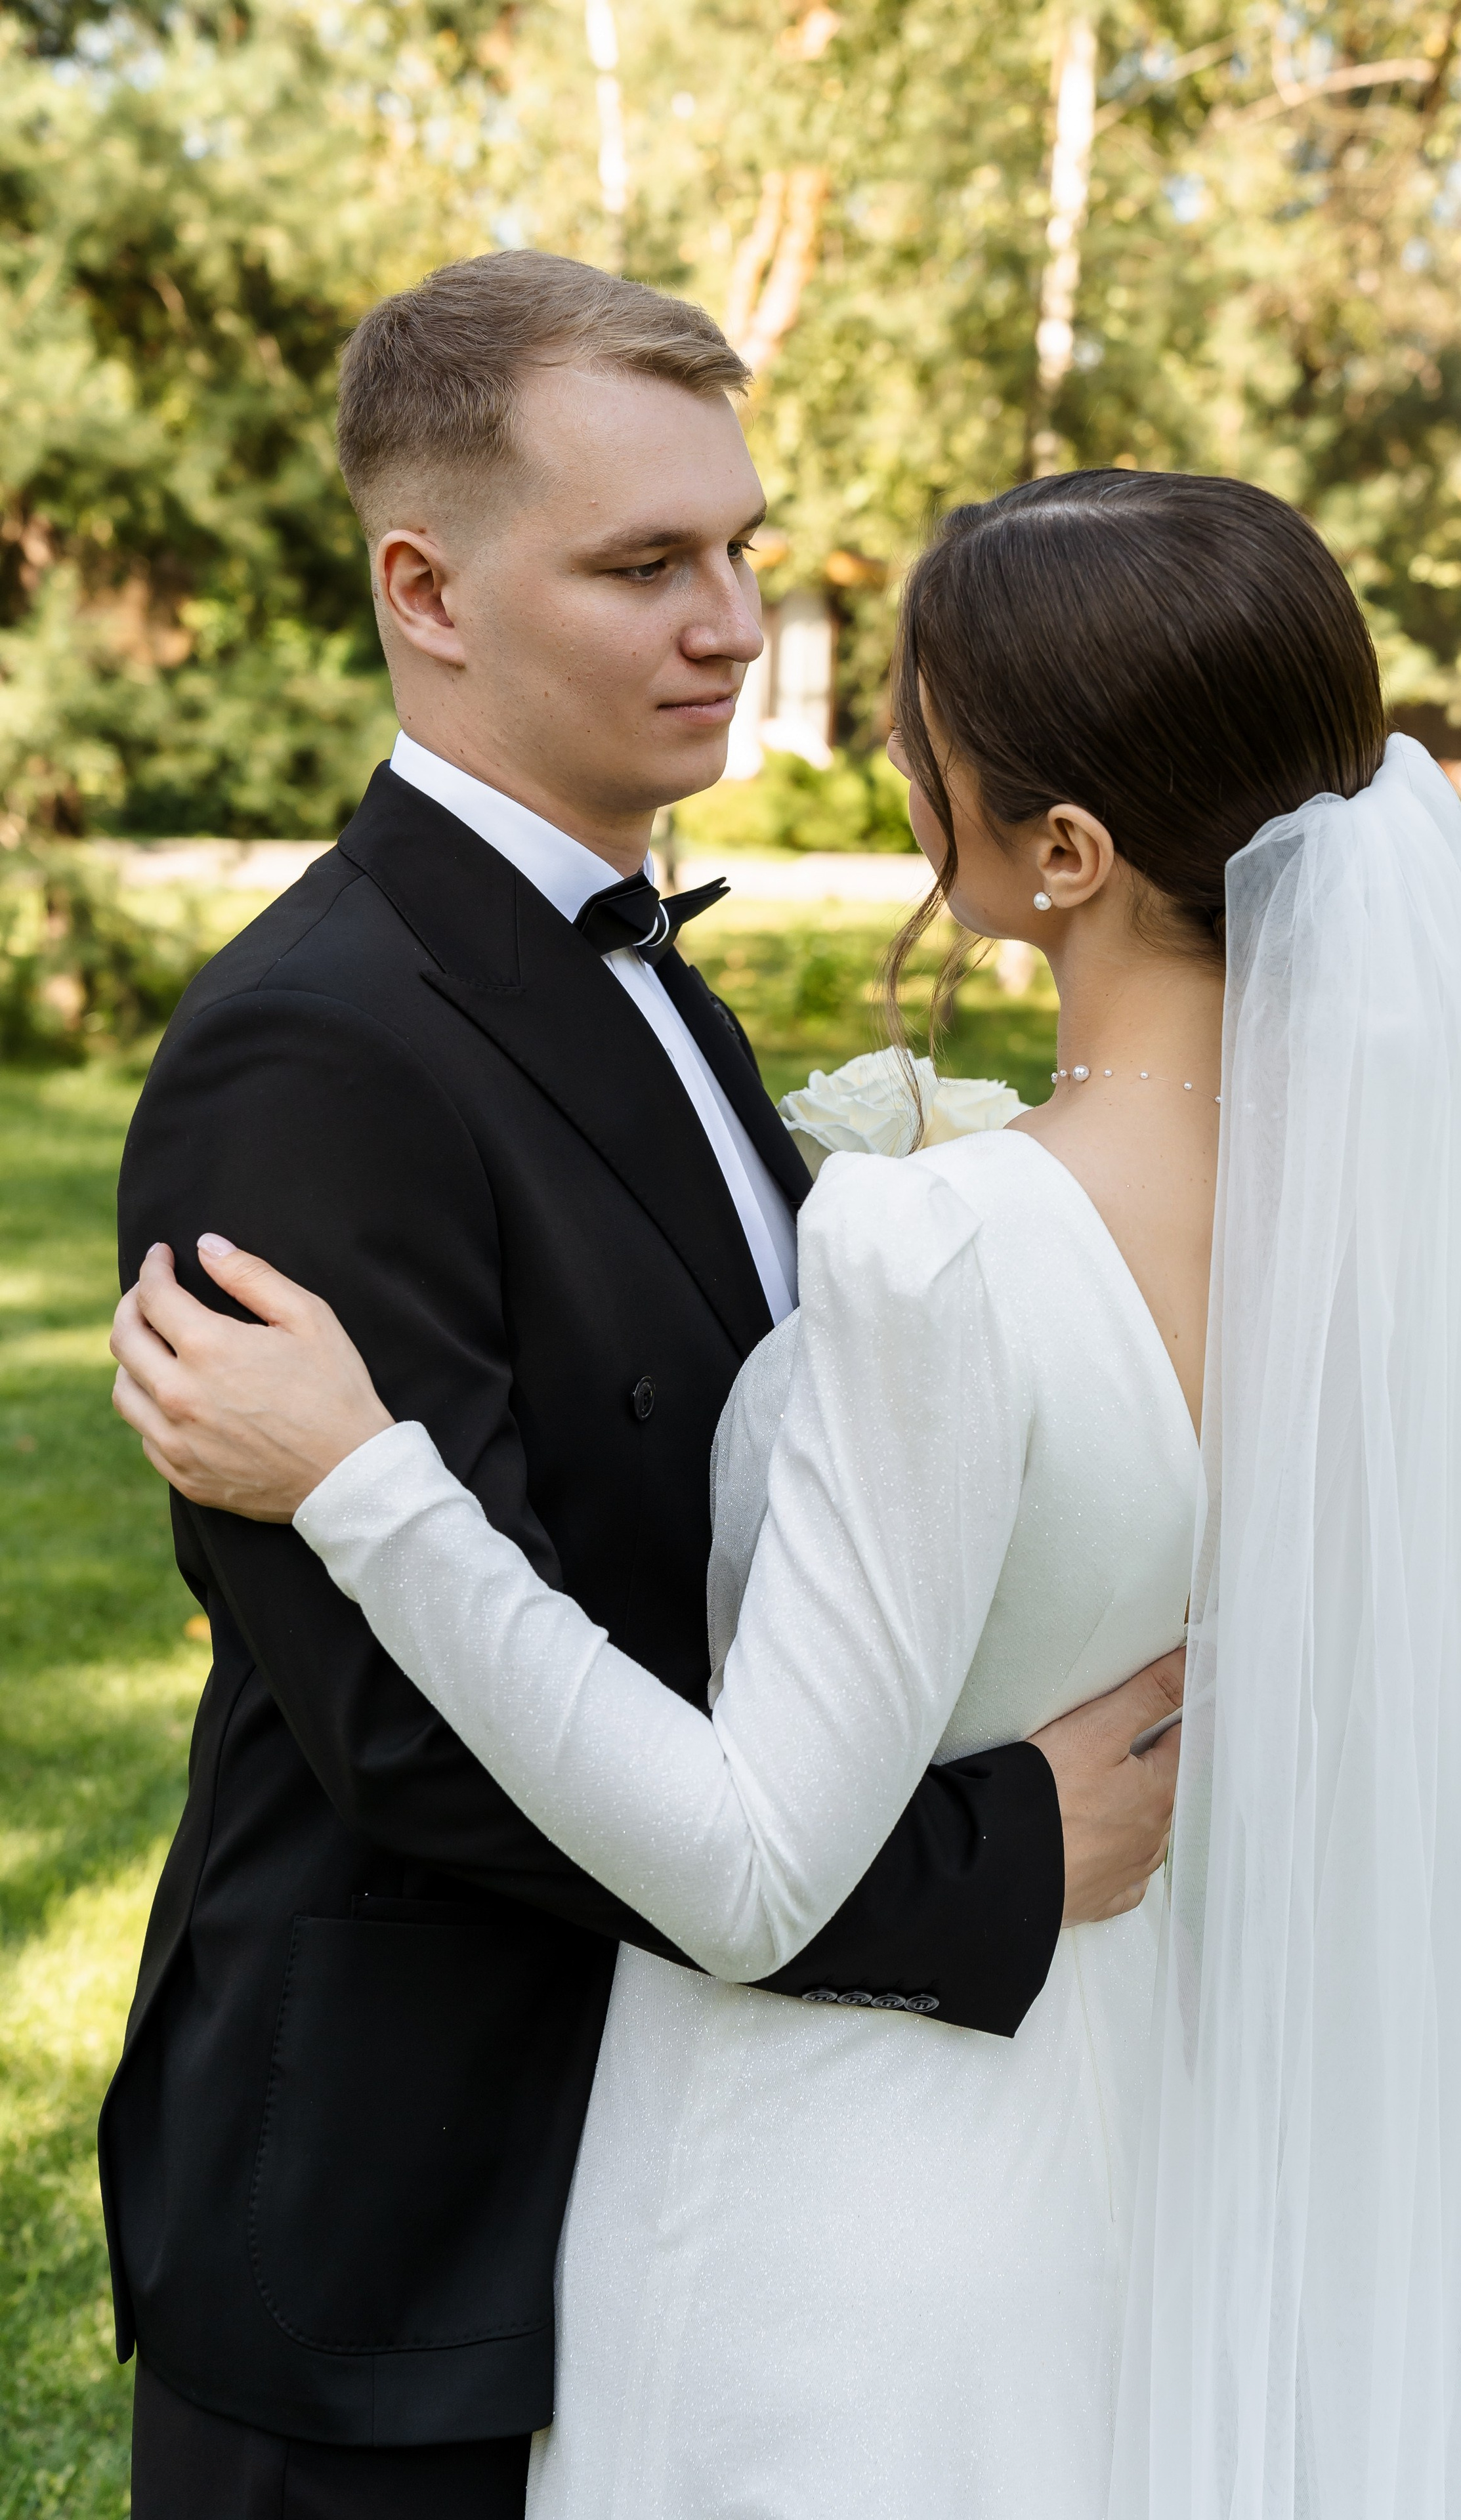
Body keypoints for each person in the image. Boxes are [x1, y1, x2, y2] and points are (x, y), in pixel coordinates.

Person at [117, 463, 1461, 2520]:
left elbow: (749, 1868)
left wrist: (363, 1480)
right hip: (1130, 2157)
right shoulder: (1371, 1237)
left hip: (825, 2217)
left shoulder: (946, 1244)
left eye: (923, 733)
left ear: (1060, 850)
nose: (826, 697)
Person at [98, 257, 1185, 2520]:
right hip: (404, 2212)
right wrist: (983, 1868)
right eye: (643, 564)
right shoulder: (310, 1050)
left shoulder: (655, 980)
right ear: (427, 589)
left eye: (743, 553)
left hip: (686, 2136)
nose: (730, 622)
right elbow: (398, 1732)